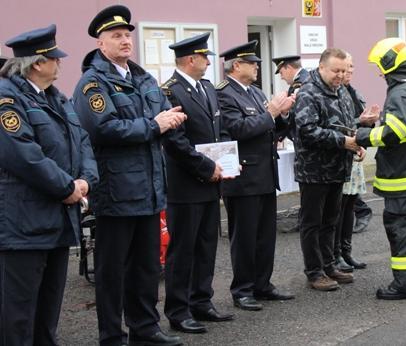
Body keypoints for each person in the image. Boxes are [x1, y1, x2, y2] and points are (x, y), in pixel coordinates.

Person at [72, 5, 186, 346]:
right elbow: (103, 128)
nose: (124, 41)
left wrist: (167, 121)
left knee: (147, 267)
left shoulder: (142, 78)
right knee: (112, 271)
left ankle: (145, 328)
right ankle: (111, 334)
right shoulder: (92, 83)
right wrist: (154, 125)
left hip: (149, 189)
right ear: (100, 43)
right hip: (117, 191)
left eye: (127, 36)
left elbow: (156, 119)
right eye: (116, 36)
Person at [0, 24, 98, 345]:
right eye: (55, 58)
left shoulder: (57, 97)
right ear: (38, 63)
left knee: (49, 309)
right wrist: (68, 187)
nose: (59, 63)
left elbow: (82, 141)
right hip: (23, 225)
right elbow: (24, 156)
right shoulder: (7, 98)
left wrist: (85, 180)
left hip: (57, 220)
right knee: (18, 314)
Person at [345, 37, 406, 300]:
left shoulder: (400, 93)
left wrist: (363, 136)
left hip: (403, 178)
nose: (380, 72)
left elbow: (396, 131)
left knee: (402, 230)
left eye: (380, 66)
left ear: (389, 64)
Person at [161, 32, 233, 334]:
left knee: (206, 245)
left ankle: (202, 301)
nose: (208, 62)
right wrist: (207, 167)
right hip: (186, 184)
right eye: (205, 57)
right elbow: (175, 141)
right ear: (191, 59)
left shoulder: (206, 88)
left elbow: (219, 132)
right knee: (183, 249)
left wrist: (228, 160)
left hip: (209, 181)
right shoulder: (169, 91)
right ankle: (178, 309)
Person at [216, 40, 295, 311]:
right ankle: (242, 290)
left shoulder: (255, 92)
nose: (257, 67)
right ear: (236, 66)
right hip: (243, 176)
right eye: (253, 63)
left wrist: (282, 115)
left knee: (265, 236)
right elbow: (237, 129)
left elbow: (271, 130)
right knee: (245, 238)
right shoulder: (224, 94)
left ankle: (263, 284)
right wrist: (271, 112)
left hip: (264, 174)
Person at [294, 48, 364, 292]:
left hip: (337, 167)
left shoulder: (341, 91)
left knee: (331, 220)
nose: (341, 75)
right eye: (336, 70)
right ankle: (314, 271)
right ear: (322, 67)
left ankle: (329, 264)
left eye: (344, 71)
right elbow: (307, 131)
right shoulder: (308, 93)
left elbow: (345, 125)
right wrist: (343, 142)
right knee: (312, 222)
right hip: (314, 170)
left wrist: (355, 143)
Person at [334, 52, 379, 272]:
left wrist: (368, 126)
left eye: (352, 66)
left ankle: (346, 251)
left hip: (354, 155)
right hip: (340, 156)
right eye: (345, 67)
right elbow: (338, 125)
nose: (349, 71)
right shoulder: (333, 92)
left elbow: (358, 126)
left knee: (351, 205)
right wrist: (359, 121)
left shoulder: (353, 91)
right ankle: (336, 255)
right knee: (339, 209)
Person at [271, 55, 309, 141]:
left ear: (288, 68)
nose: (281, 77)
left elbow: (295, 115)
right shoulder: (306, 77)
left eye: (281, 73)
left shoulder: (299, 83)